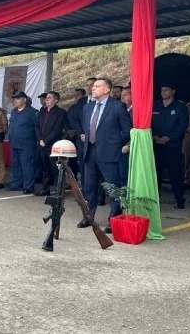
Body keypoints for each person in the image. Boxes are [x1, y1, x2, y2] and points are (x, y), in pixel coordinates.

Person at [78, 78, 132, 232]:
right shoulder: (87, 108)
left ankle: (114, 219)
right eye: (92, 86)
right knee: (89, 186)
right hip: (90, 151)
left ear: (107, 89)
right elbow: (87, 127)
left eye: (97, 86)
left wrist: (113, 143)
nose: (93, 88)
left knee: (112, 187)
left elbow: (127, 130)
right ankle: (88, 216)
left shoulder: (117, 106)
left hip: (109, 153)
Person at [151, 83, 188, 209]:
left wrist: (169, 137)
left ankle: (179, 199)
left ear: (173, 91)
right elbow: (150, 123)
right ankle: (154, 199)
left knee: (175, 173)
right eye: (162, 90)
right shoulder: (156, 105)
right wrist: (155, 136)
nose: (163, 92)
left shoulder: (180, 106)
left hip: (173, 145)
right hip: (157, 145)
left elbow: (182, 125)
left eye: (166, 90)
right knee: (156, 173)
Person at [35, 91, 68, 196]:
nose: (46, 100)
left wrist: (46, 141)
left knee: (55, 168)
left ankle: (59, 191)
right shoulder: (42, 111)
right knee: (45, 167)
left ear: (56, 100)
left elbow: (57, 129)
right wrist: (40, 139)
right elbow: (37, 127)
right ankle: (45, 189)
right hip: (41, 144)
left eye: (49, 98)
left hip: (53, 145)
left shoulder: (60, 112)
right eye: (46, 98)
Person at [7, 91, 38, 194]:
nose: (15, 100)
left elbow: (37, 128)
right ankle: (16, 184)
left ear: (24, 100)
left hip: (27, 144)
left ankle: (28, 186)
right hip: (15, 143)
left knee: (27, 165)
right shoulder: (14, 112)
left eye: (18, 98)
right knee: (16, 165)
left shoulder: (32, 112)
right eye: (14, 98)